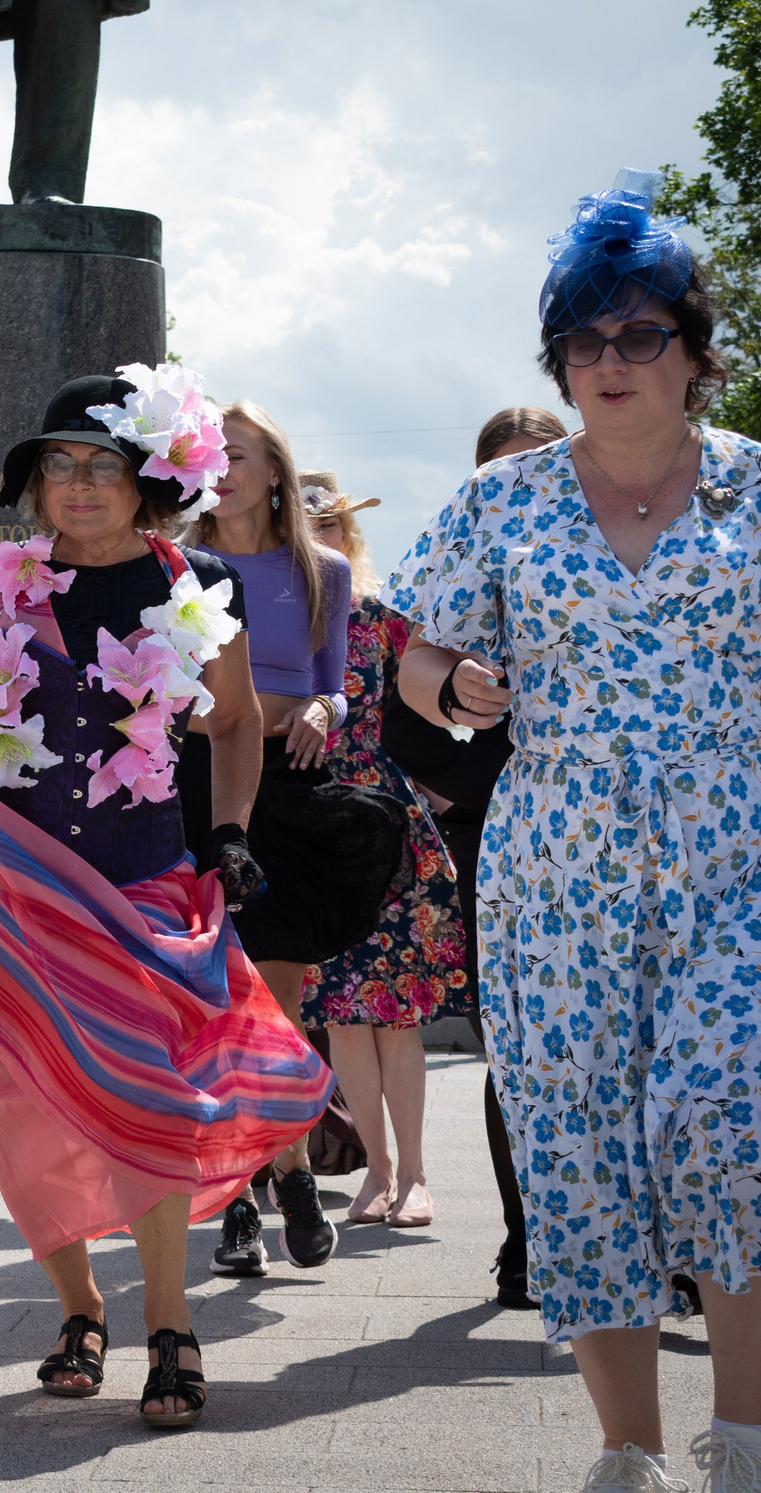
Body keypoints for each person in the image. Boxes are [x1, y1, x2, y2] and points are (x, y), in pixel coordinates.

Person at [391, 171, 761, 1493]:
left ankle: (752, 1436)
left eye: (639, 332)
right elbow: (417, 656)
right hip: (556, 854)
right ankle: (628, 1446)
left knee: (744, 1116)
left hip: (740, 843)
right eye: (583, 339)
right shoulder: (500, 503)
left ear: (696, 353)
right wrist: (455, 685)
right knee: (579, 1136)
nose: (610, 360)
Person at [0, 364, 327, 1428]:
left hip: (144, 881)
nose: (76, 484)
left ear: (146, 478)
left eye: (99, 465)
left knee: (150, 1103)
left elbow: (234, 720)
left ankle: (170, 1324)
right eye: (57, 465)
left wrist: (234, 830)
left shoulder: (193, 582)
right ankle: (78, 1310)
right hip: (10, 892)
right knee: (15, 1107)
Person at [190, 399, 393, 1279]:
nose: (225, 468)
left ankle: (295, 1172)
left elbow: (336, 685)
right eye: (212, 453)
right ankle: (244, 1205)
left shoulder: (324, 571)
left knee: (274, 1011)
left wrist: (321, 705)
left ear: (275, 469)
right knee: (207, 1008)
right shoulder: (173, 565)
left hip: (292, 796)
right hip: (191, 790)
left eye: (241, 454)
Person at [379, 404, 566, 1309]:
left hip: (615, 832)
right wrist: (450, 752)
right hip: (485, 838)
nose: (523, 484)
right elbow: (396, 702)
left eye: (541, 462)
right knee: (519, 1043)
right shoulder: (459, 566)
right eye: (503, 470)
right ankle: (527, 1238)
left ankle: (663, 1245)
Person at [294, 473, 469, 1232]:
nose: (320, 538)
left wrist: (451, 792)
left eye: (330, 525)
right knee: (340, 1015)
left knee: (394, 1014)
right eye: (307, 528)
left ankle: (417, 1175)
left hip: (384, 829)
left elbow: (446, 704)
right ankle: (378, 1172)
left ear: (347, 536)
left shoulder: (384, 619)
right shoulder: (268, 627)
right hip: (304, 829)